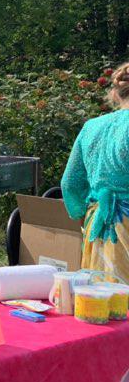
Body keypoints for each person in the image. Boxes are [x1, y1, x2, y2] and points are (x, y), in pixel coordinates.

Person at [61, 61, 129, 283]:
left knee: (100, 304)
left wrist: (82, 213)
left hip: (96, 228)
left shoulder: (91, 127)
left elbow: (70, 184)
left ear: (116, 93)